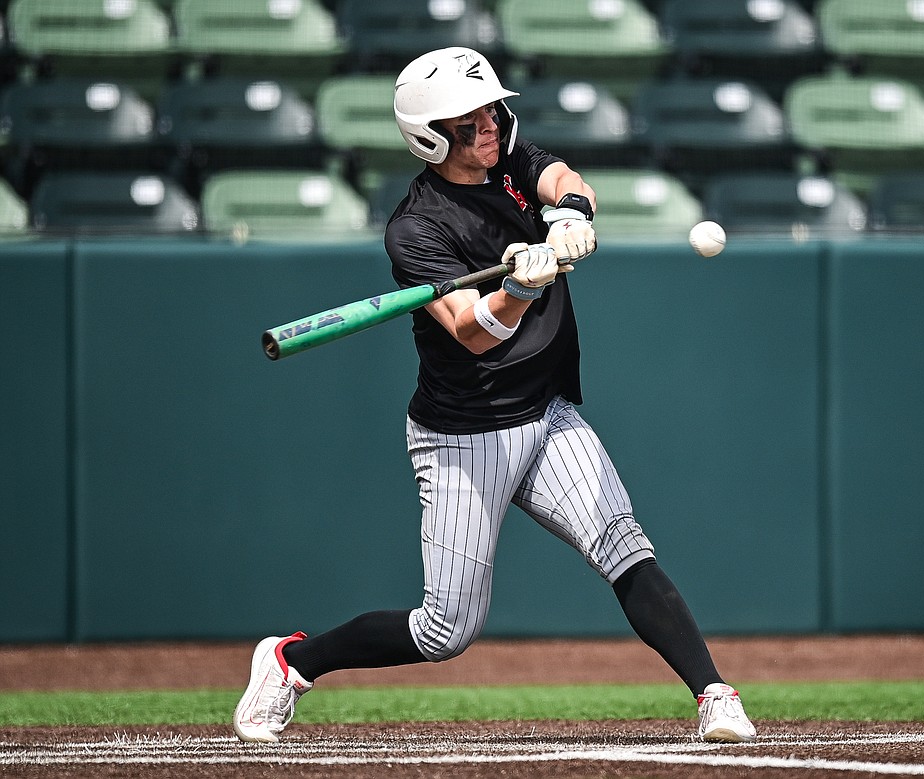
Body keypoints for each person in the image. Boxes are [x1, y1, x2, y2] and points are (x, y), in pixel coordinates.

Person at [232, 47, 756, 745]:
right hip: (461, 436)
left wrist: (567, 215)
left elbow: (567, 179)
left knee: (623, 543)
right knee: (444, 630)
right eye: (467, 116)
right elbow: (470, 332)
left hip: (545, 413)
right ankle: (290, 661)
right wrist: (518, 288)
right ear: (430, 135)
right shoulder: (416, 229)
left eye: (487, 108)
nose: (488, 122)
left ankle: (714, 693)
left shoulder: (504, 155)